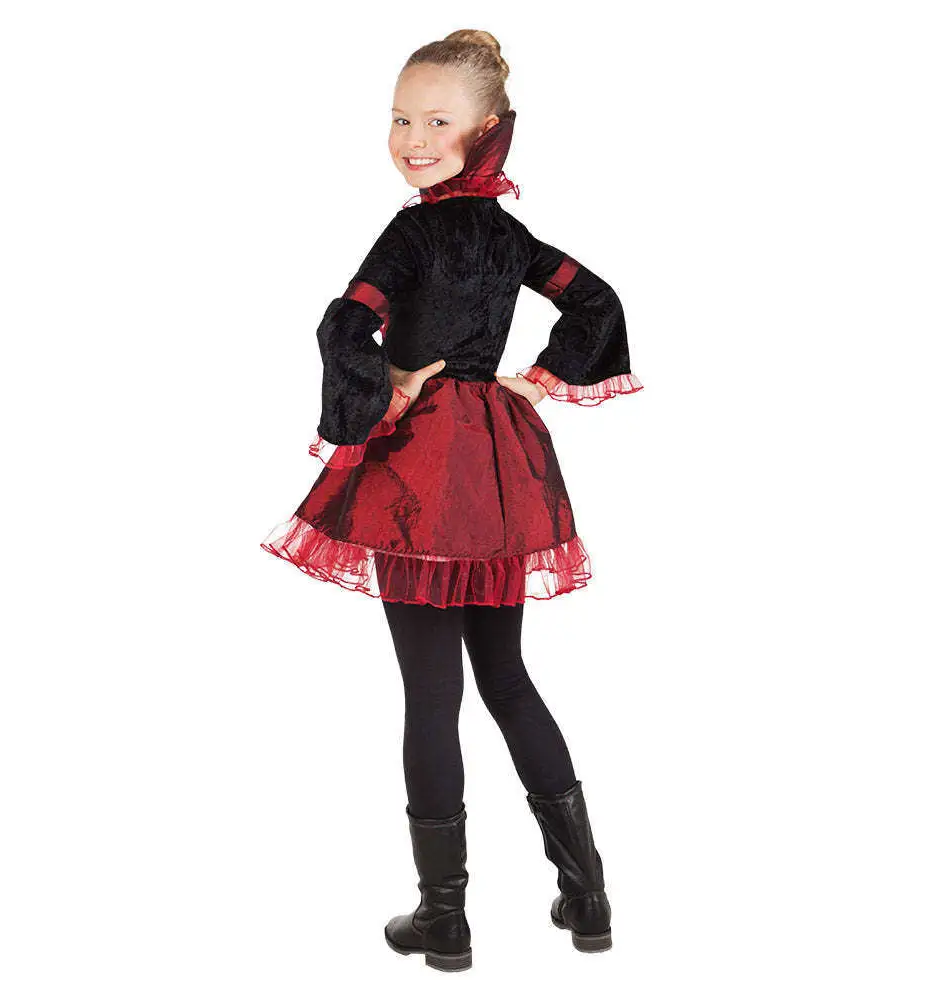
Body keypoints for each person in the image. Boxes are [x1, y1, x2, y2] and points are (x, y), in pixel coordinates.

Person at [261, 29, 643, 972]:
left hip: (417, 474)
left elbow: (344, 322)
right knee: (505, 678)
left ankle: (446, 918)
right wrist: (539, 382)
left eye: (437, 122)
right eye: (400, 119)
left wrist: (382, 394)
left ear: (486, 131)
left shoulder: (413, 232)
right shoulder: (508, 236)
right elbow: (594, 299)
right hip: (499, 468)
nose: (413, 138)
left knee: (433, 692)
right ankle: (587, 895)